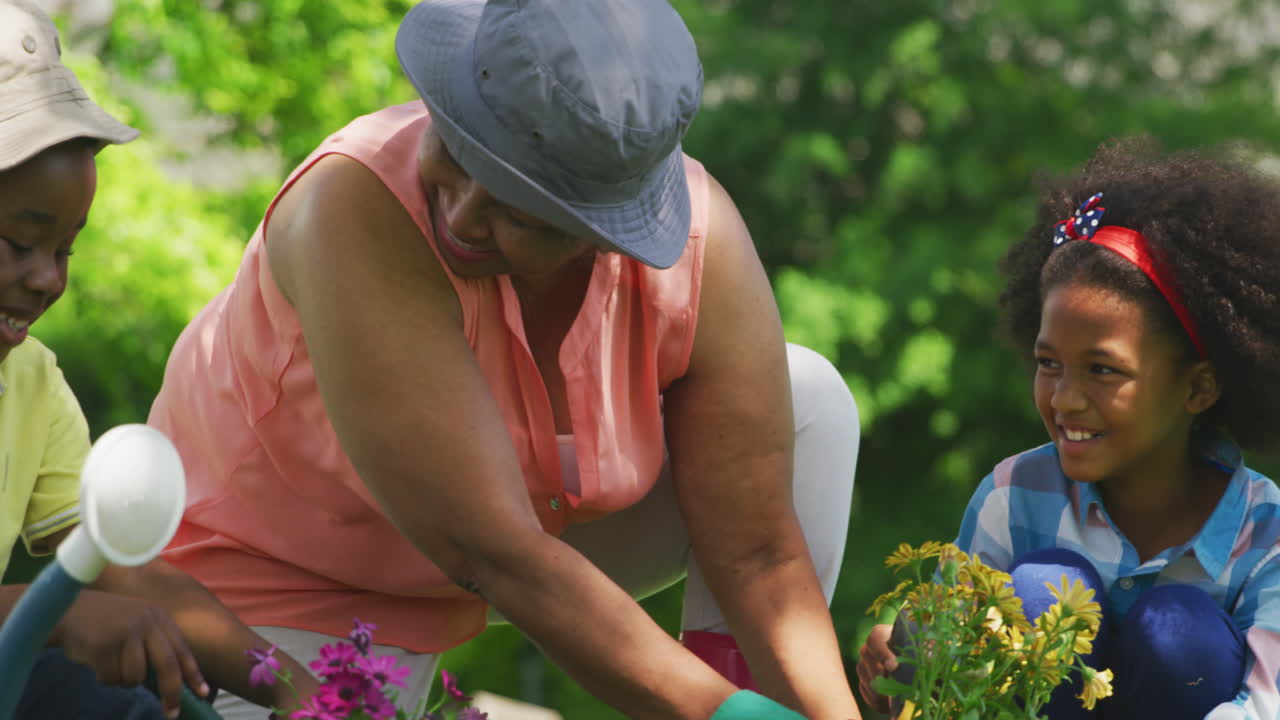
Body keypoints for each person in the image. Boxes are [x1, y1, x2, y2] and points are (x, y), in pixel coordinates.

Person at [146, 0, 863, 718]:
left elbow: (758, 556)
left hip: (525, 542)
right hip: (279, 578)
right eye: (456, 152)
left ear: (602, 233)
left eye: (518, 211)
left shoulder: (702, 249)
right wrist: (723, 717)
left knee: (810, 401)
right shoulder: (353, 206)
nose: (459, 215)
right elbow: (496, 554)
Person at [856, 137, 1280, 719]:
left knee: (1180, 631)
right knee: (1046, 589)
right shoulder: (1012, 495)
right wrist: (909, 660)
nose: (1064, 398)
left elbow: (1267, 703)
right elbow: (950, 653)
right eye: (1049, 363)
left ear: (1197, 389)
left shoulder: (1265, 534)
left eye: (1103, 370)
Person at [0, 2, 317, 717]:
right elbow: (68, 606)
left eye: (65, 249)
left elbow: (125, 575)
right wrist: (49, 612)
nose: (47, 278)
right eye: (19, 243)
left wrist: (311, 697)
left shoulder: (31, 383)